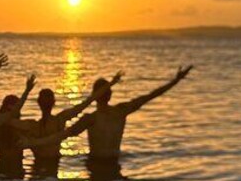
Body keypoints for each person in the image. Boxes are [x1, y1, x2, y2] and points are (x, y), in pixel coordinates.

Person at [24, 66, 194, 161]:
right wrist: (34, 143)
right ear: (106, 94)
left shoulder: (112, 113)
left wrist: (175, 81)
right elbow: (62, 135)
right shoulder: (101, 116)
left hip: (105, 163)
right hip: (103, 163)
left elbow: (150, 96)